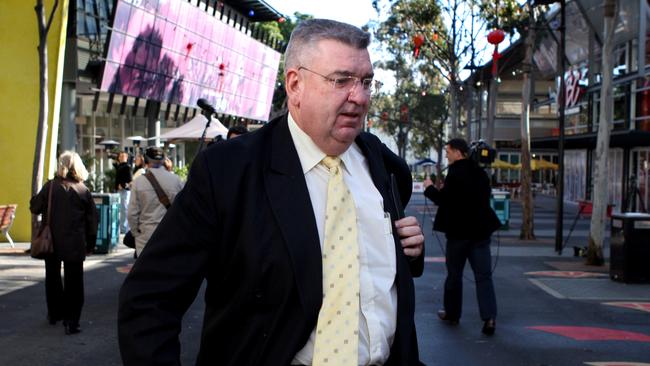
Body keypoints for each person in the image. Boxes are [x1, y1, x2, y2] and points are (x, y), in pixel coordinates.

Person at [118, 18, 425, 366]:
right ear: (295, 84)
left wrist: (409, 253)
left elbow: (375, 266)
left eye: (366, 82)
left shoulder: (382, 164)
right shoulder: (228, 171)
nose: (359, 96)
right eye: (340, 80)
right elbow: (149, 299)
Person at [423, 138, 501, 336]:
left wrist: (429, 188)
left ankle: (452, 313)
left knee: (454, 275)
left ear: (458, 152)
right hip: (481, 233)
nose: (446, 155)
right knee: (484, 277)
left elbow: (445, 201)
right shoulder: (481, 173)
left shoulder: (455, 173)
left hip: (458, 235)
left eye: (448, 151)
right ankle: (489, 318)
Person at [29, 151, 98, 335]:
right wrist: (91, 244)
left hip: (51, 241)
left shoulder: (50, 186)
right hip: (75, 242)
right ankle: (72, 321)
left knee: (52, 278)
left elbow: (34, 207)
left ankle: (54, 314)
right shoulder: (83, 190)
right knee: (74, 282)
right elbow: (92, 221)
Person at [127, 147, 184, 257]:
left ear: (145, 161)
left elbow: (132, 214)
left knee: (146, 272)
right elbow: (184, 208)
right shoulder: (176, 180)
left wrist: (136, 233)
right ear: (164, 160)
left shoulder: (138, 182)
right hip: (170, 233)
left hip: (146, 236)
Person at [114, 151, 132, 234]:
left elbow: (130, 180)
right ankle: (121, 227)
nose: (122, 157)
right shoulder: (119, 166)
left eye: (123, 156)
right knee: (120, 209)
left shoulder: (127, 166)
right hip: (119, 190)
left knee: (124, 209)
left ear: (126, 157)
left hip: (124, 190)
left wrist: (123, 185)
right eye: (120, 156)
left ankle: (124, 228)